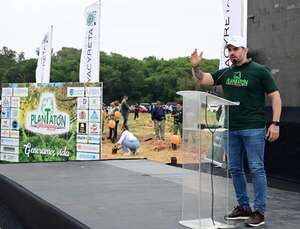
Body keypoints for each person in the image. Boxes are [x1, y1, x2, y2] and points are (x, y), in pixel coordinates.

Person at [191, 35, 282, 227]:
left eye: (235, 49)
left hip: (253, 128)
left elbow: (275, 97)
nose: (232, 53)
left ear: (244, 50)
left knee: (256, 168)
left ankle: (259, 211)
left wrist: (275, 123)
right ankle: (243, 207)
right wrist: (196, 67)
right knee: (234, 168)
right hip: (231, 128)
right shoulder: (226, 73)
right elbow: (204, 80)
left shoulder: (259, 71)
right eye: (229, 50)